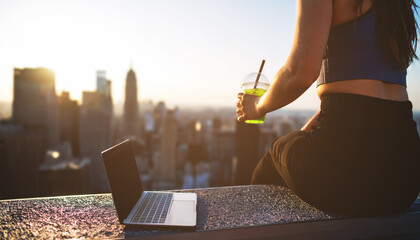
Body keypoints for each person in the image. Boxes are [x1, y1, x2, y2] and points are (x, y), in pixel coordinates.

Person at [236, 0, 420, 216]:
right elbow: (364, 105)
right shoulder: (398, 5)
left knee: (273, 159)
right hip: (406, 176)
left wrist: (257, 107)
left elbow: (299, 73)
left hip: (343, 171)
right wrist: (303, 138)